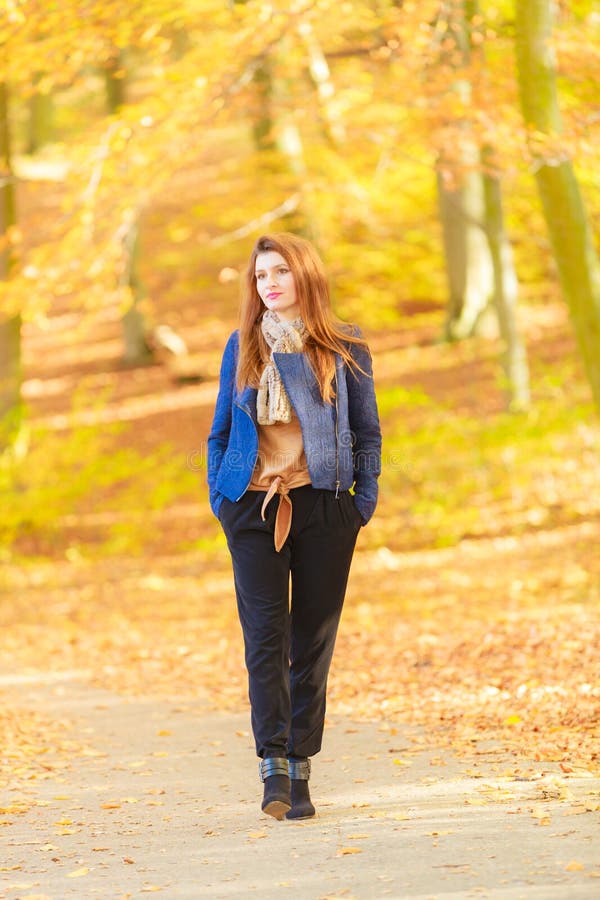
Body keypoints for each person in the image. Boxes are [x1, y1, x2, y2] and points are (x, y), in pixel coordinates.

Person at [207, 232, 381, 820]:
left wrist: (361, 504)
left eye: (280, 271)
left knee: (311, 644)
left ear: (305, 274)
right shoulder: (243, 345)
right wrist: (220, 497)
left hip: (325, 508)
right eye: (261, 276)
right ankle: (273, 767)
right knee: (265, 640)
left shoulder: (344, 346)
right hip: (252, 508)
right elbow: (219, 432)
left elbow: (368, 432)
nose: (270, 283)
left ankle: (302, 767)